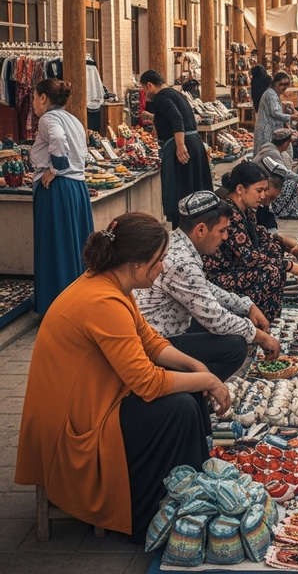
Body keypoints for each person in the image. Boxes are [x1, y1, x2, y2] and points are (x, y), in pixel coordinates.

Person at [16, 212, 231, 542]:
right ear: (137, 263)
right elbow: (147, 383)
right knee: (179, 407)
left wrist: (195, 366)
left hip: (95, 404)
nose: (162, 267)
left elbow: (150, 341)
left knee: (187, 390)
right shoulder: (103, 301)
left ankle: (193, 490)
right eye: (158, 260)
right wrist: (210, 381)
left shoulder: (112, 284)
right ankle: (150, 516)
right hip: (78, 426)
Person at [134, 191, 281, 365]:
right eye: (222, 230)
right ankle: (196, 382)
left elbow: (205, 287)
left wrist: (246, 305)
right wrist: (261, 337)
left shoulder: (176, 240)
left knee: (230, 320)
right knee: (235, 346)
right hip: (155, 343)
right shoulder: (182, 262)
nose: (225, 237)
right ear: (201, 230)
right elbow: (216, 319)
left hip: (168, 327)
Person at [204, 162, 298, 322]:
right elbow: (249, 257)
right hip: (219, 277)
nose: (262, 196)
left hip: (238, 268)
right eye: (259, 190)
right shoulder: (229, 215)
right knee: (271, 272)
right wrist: (290, 266)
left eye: (264, 190)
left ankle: (268, 319)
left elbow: (264, 239)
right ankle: (253, 321)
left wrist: (290, 247)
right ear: (240, 189)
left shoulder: (247, 212)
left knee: (274, 251)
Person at [30, 78, 94, 314]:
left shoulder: (48, 119)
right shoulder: (73, 119)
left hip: (58, 188)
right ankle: (77, 301)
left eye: (34, 98)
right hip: (76, 186)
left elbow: (57, 139)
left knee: (56, 244)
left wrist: (55, 168)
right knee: (75, 243)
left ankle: (58, 305)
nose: (33, 104)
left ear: (43, 97)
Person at [140, 69, 212, 229]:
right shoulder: (175, 93)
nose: (145, 93)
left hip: (184, 145)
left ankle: (185, 230)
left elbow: (176, 118)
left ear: (149, 85)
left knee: (183, 192)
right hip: (193, 142)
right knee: (194, 190)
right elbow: (173, 117)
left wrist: (180, 145)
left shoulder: (161, 97)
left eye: (144, 89)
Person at [253, 128, 298, 220]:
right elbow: (282, 172)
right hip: (263, 187)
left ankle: (289, 210)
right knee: (290, 182)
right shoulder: (271, 152)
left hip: (263, 184)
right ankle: (285, 211)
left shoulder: (269, 149)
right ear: (286, 143)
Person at [254, 70, 298, 152]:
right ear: (275, 83)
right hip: (267, 130)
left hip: (270, 129)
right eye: (281, 84)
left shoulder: (274, 94)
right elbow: (275, 113)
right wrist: (291, 117)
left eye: (286, 84)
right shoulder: (271, 94)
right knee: (266, 153)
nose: (283, 87)